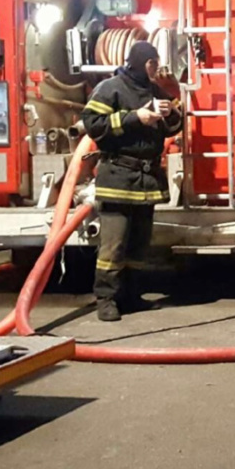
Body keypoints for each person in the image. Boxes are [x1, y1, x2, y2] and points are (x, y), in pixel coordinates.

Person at [81, 41, 183, 320]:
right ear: (139, 62)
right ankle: (106, 299)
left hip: (146, 181)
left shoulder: (152, 89)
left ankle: (131, 295)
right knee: (112, 246)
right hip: (117, 178)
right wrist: (135, 117)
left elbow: (175, 124)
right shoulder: (111, 88)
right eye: (152, 63)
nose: (155, 68)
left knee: (139, 245)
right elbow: (93, 124)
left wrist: (169, 112)